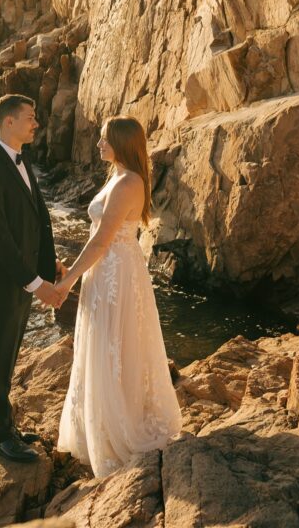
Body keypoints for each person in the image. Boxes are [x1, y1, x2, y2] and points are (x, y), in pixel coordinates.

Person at [55, 115, 182, 477]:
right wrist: (74, 272)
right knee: (106, 343)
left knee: (115, 344)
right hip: (107, 270)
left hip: (116, 274)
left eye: (104, 139)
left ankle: (119, 429)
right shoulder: (117, 176)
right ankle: (97, 424)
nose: (98, 144)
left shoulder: (129, 182)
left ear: (122, 143)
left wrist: (67, 282)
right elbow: (97, 238)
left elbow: (101, 240)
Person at [0, 93, 66, 463]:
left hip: (20, 278)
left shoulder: (20, 161)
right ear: (8, 121)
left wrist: (46, 266)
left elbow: (37, 219)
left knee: (8, 354)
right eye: (30, 117)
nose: (35, 123)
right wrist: (37, 284)